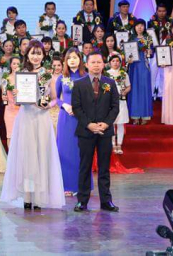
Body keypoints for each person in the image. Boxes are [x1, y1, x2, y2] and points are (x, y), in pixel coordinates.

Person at [1, 40, 64, 210]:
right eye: (32, 53)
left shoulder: (47, 74)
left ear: (43, 55)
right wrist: (16, 95)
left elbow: (54, 99)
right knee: (27, 157)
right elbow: (17, 100)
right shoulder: (21, 74)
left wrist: (48, 105)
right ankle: (28, 196)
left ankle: (39, 196)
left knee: (41, 155)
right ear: (27, 55)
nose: (35, 57)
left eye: (39, 53)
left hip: (41, 118)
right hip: (26, 118)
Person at [72, 51, 120, 212]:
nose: (96, 65)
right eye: (93, 62)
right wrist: (89, 124)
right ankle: (82, 201)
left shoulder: (110, 83)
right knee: (85, 167)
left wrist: (106, 124)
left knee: (104, 167)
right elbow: (76, 108)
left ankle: (106, 201)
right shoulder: (79, 84)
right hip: (86, 131)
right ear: (86, 64)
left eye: (99, 62)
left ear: (103, 64)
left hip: (105, 132)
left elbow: (115, 107)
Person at [55, 48, 87, 196]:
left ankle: (80, 186)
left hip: (81, 118)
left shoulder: (86, 77)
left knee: (80, 151)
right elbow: (56, 99)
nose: (72, 60)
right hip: (66, 118)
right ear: (65, 61)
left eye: (75, 57)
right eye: (69, 58)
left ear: (80, 59)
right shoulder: (62, 78)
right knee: (65, 151)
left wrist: (79, 108)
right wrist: (64, 105)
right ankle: (66, 185)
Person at [127, 19, 153, 124]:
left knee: (144, 89)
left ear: (144, 27)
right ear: (135, 27)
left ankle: (145, 115)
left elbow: (152, 54)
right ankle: (135, 116)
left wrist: (150, 52)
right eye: (138, 25)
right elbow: (127, 52)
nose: (140, 27)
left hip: (144, 65)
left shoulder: (148, 38)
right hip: (133, 67)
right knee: (134, 90)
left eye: (142, 25)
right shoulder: (131, 38)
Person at [105, 54, 131, 154]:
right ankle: (112, 144)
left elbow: (128, 86)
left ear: (120, 63)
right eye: (113, 61)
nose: (115, 63)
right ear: (109, 63)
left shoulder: (124, 74)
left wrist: (125, 92)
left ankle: (119, 144)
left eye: (117, 61)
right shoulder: (106, 74)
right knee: (111, 123)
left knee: (120, 123)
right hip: (109, 102)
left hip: (121, 101)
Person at [148, 4, 172, 99]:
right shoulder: (151, 22)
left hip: (165, 50)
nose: (161, 13)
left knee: (163, 73)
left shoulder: (170, 22)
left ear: (166, 12)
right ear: (156, 11)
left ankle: (161, 94)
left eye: (163, 11)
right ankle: (151, 93)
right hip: (155, 50)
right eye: (159, 11)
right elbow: (149, 36)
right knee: (153, 72)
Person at [48, 55, 64, 132]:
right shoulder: (47, 78)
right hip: (50, 109)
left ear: (62, 66)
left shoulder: (66, 78)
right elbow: (44, 93)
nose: (56, 67)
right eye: (54, 65)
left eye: (59, 65)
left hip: (63, 109)